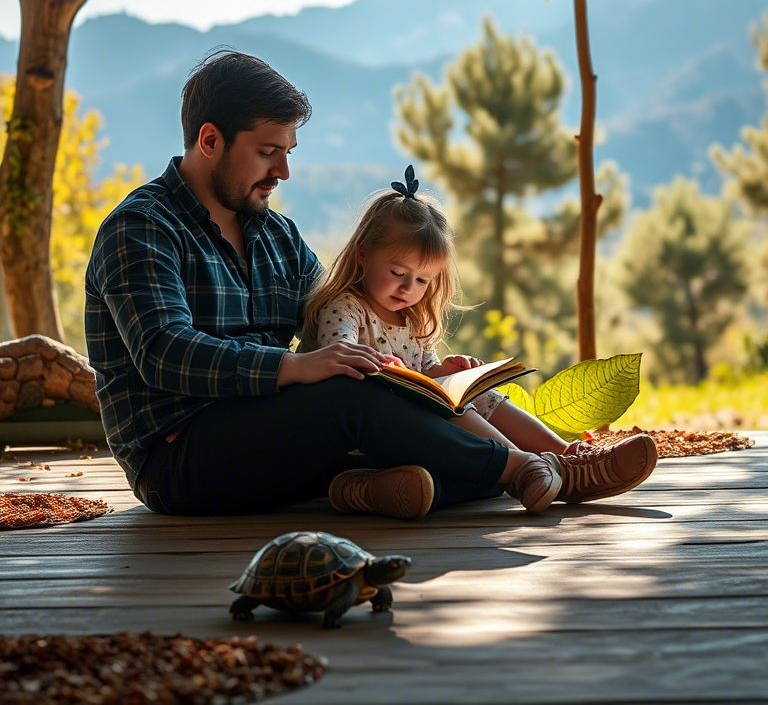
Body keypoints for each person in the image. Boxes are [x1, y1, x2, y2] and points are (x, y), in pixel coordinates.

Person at [85, 50, 656, 521]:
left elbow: (346, 299)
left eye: (287, 153)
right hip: (180, 458)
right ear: (210, 141)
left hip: (278, 434)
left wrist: (436, 376)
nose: (282, 171)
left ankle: (384, 487)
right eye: (267, 152)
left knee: (418, 422)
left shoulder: (275, 233)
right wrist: (298, 368)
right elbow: (163, 353)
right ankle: (527, 470)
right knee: (354, 393)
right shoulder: (140, 228)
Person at [299, 178, 657, 511]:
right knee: (451, 416)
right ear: (363, 254)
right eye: (397, 273)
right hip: (371, 434)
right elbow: (339, 355)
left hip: (414, 435)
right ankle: (533, 467)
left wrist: (447, 372)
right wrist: (389, 369)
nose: (408, 288)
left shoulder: (409, 320)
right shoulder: (344, 306)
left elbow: (424, 371)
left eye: (423, 279)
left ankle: (567, 455)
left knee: (475, 396)